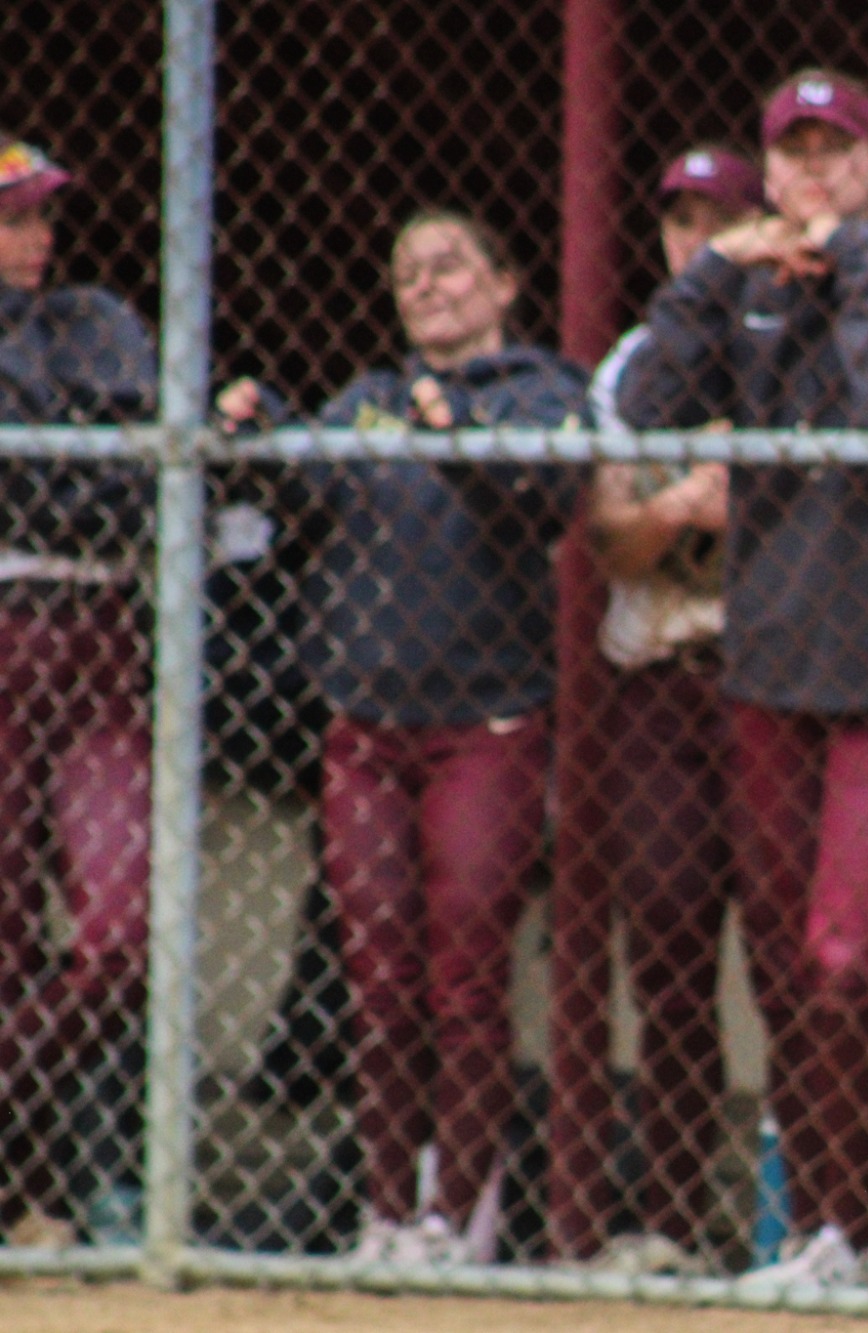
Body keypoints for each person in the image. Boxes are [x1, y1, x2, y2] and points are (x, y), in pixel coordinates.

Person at [615, 67, 868, 1285]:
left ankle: (857, 1228)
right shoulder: (748, 278)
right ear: (767, 170)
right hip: (769, 664)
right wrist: (725, 268)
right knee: (782, 970)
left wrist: (856, 257)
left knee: (841, 953)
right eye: (794, 152)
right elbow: (650, 400)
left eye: (837, 152)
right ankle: (848, 1228)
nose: (814, 171)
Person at [215, 209, 587, 1264]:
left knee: (463, 978)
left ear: (504, 281)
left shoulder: (540, 391)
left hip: (487, 723)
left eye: (449, 265)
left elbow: (544, 498)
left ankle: (452, 1215)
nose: (427, 286)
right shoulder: (368, 399)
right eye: (408, 274)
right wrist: (265, 428)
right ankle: (384, 1211)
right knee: (374, 977)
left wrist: (455, 440)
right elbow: (303, 497)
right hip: (366, 726)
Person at [543, 143, 760, 1274]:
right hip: (658, 682)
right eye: (681, 221)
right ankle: (672, 1219)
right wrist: (686, 503)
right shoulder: (636, 359)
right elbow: (611, 535)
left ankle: (830, 1222)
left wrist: (736, 506)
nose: (697, 238)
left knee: (793, 952)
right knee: (669, 952)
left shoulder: (789, 342)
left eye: (720, 218)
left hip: (775, 680)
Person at [0, 134, 158, 1246]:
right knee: (3, 934)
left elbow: (122, 479)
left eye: (44, 215)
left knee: (119, 927)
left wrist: (54, 459)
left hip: (99, 630)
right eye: (14, 216)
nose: (39, 236)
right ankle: (25, 1196)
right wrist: (71, 461)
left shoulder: (101, 318)